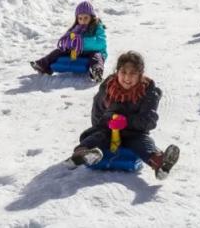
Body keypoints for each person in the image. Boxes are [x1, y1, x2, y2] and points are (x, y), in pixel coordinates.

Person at [66, 51, 180, 180]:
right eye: (123, 72)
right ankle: (81, 154)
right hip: (108, 129)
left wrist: (127, 122)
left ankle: (160, 163)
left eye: (133, 73)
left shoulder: (149, 91)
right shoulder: (108, 87)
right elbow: (97, 112)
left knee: (143, 143)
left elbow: (149, 121)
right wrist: (104, 124)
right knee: (96, 136)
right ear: (117, 72)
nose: (127, 78)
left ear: (140, 75)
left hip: (134, 132)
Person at [30, 1, 107, 82]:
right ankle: (43, 65)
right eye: (80, 18)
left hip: (92, 52)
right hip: (77, 52)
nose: (83, 21)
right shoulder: (76, 28)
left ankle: (96, 72)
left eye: (86, 18)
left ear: (91, 17)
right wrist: (69, 43)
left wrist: (81, 42)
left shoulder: (97, 27)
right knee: (58, 51)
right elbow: (67, 38)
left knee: (97, 57)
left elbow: (100, 43)